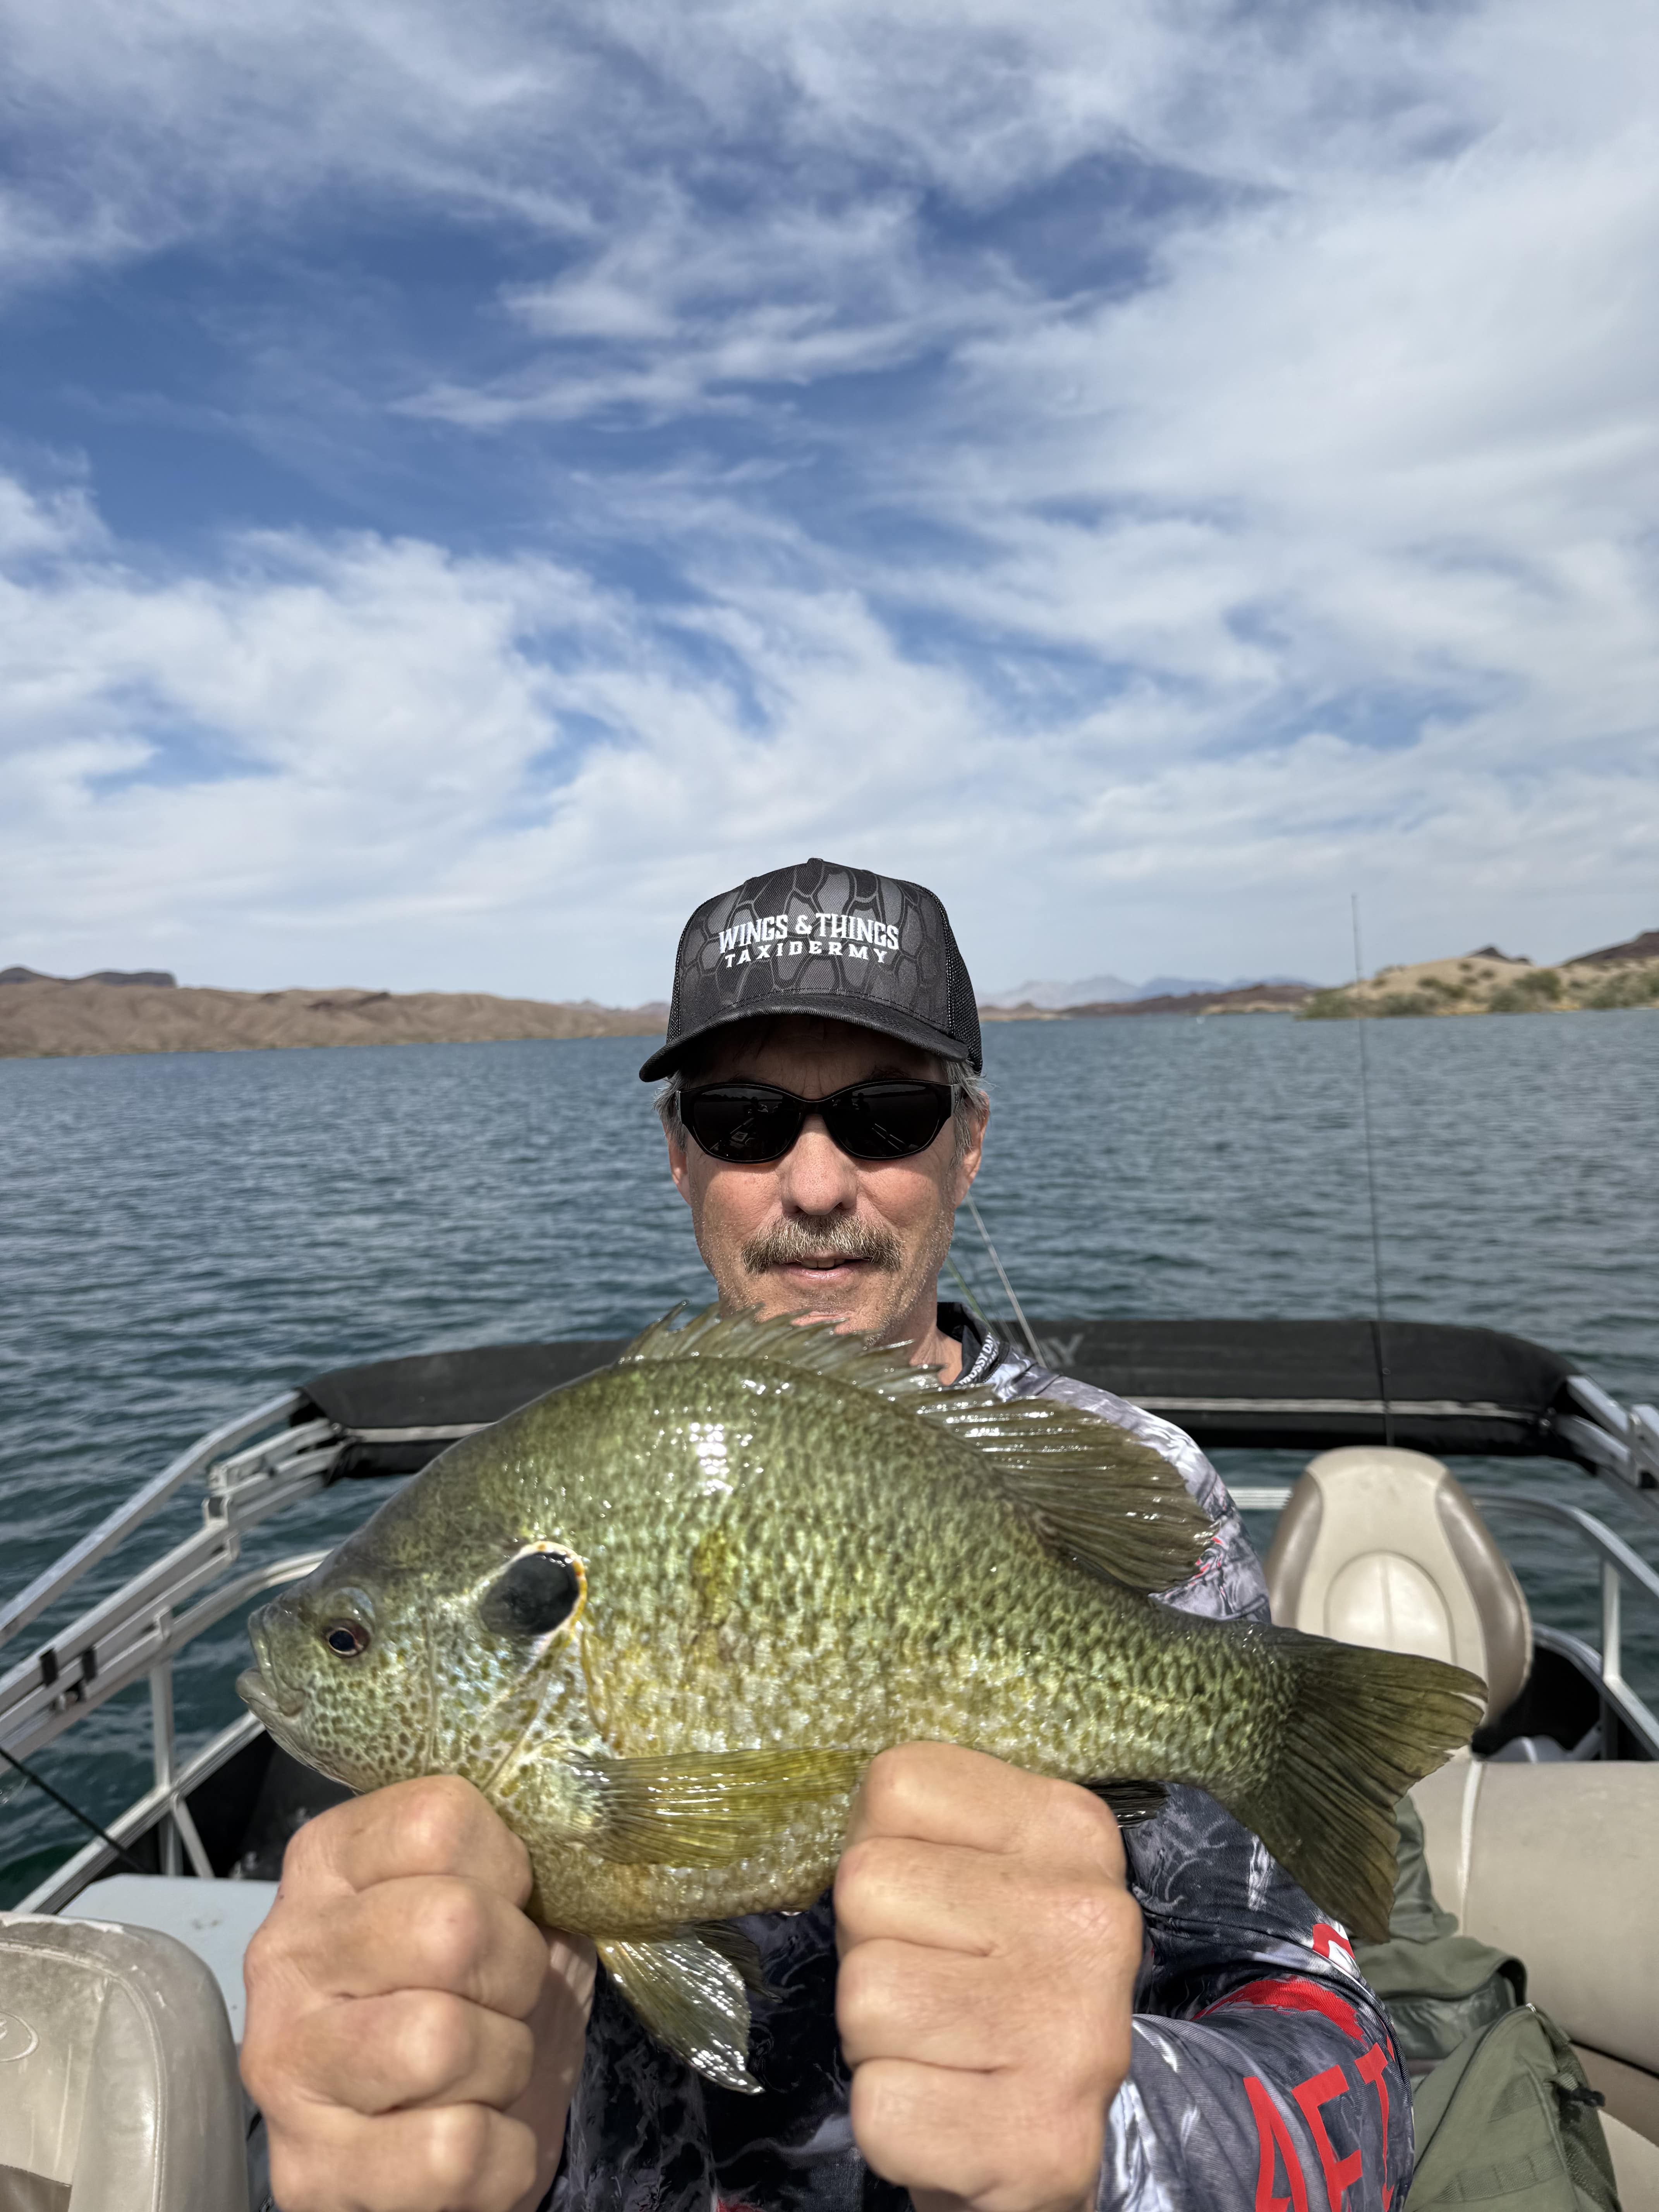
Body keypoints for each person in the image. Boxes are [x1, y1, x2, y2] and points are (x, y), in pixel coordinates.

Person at [243, 859, 1412, 2212]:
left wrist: (1105, 2133)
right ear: (679, 1152)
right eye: (744, 1121)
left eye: (886, 1114)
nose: (813, 1181)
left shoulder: (1135, 1485)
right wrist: (372, 2119)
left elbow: (1348, 2074)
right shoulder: (530, 1495)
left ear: (967, 1142)